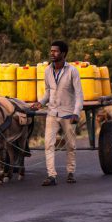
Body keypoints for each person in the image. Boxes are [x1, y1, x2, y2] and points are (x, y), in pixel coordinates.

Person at [30, 40, 83, 186]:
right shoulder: (47, 70)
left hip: (68, 113)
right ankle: (51, 175)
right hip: (52, 112)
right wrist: (40, 103)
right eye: (51, 51)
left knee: (71, 145)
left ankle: (70, 172)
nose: (52, 53)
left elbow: (79, 95)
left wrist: (76, 113)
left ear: (63, 54)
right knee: (48, 144)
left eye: (55, 51)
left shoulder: (72, 71)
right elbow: (48, 92)